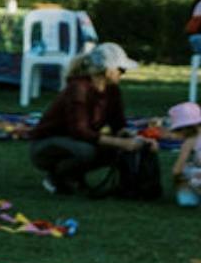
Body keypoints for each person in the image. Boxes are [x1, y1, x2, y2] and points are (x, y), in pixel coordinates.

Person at [29, 42, 155, 195]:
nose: (123, 73)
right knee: (87, 151)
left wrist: (138, 140)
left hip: (76, 141)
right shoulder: (78, 89)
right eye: (121, 69)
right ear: (107, 70)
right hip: (46, 144)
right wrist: (121, 142)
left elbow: (118, 124)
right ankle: (57, 177)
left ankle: (78, 178)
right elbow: (79, 131)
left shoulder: (112, 90)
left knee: (112, 148)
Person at [168, 100, 201, 208]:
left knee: (187, 171)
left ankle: (189, 196)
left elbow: (177, 170)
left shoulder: (190, 141)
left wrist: (178, 182)